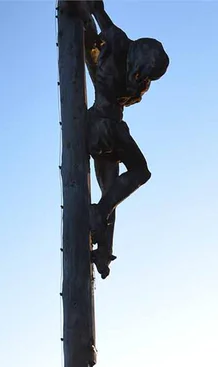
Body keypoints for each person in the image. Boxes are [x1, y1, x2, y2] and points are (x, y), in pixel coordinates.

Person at [76, 0, 169, 279]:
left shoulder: (133, 73)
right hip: (105, 126)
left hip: (108, 129)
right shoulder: (117, 42)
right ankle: (99, 219)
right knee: (139, 172)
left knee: (111, 194)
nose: (145, 81)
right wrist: (88, 11)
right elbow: (97, 13)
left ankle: (103, 249)